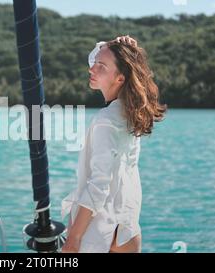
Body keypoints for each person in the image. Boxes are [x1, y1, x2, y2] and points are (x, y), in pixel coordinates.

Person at [61, 35, 167, 253]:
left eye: (101, 66)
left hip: (99, 234)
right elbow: (100, 60)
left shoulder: (106, 119)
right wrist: (120, 48)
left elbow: (100, 184)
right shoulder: (129, 113)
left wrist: (74, 237)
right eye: (95, 64)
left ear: (119, 78)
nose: (92, 68)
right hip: (126, 230)